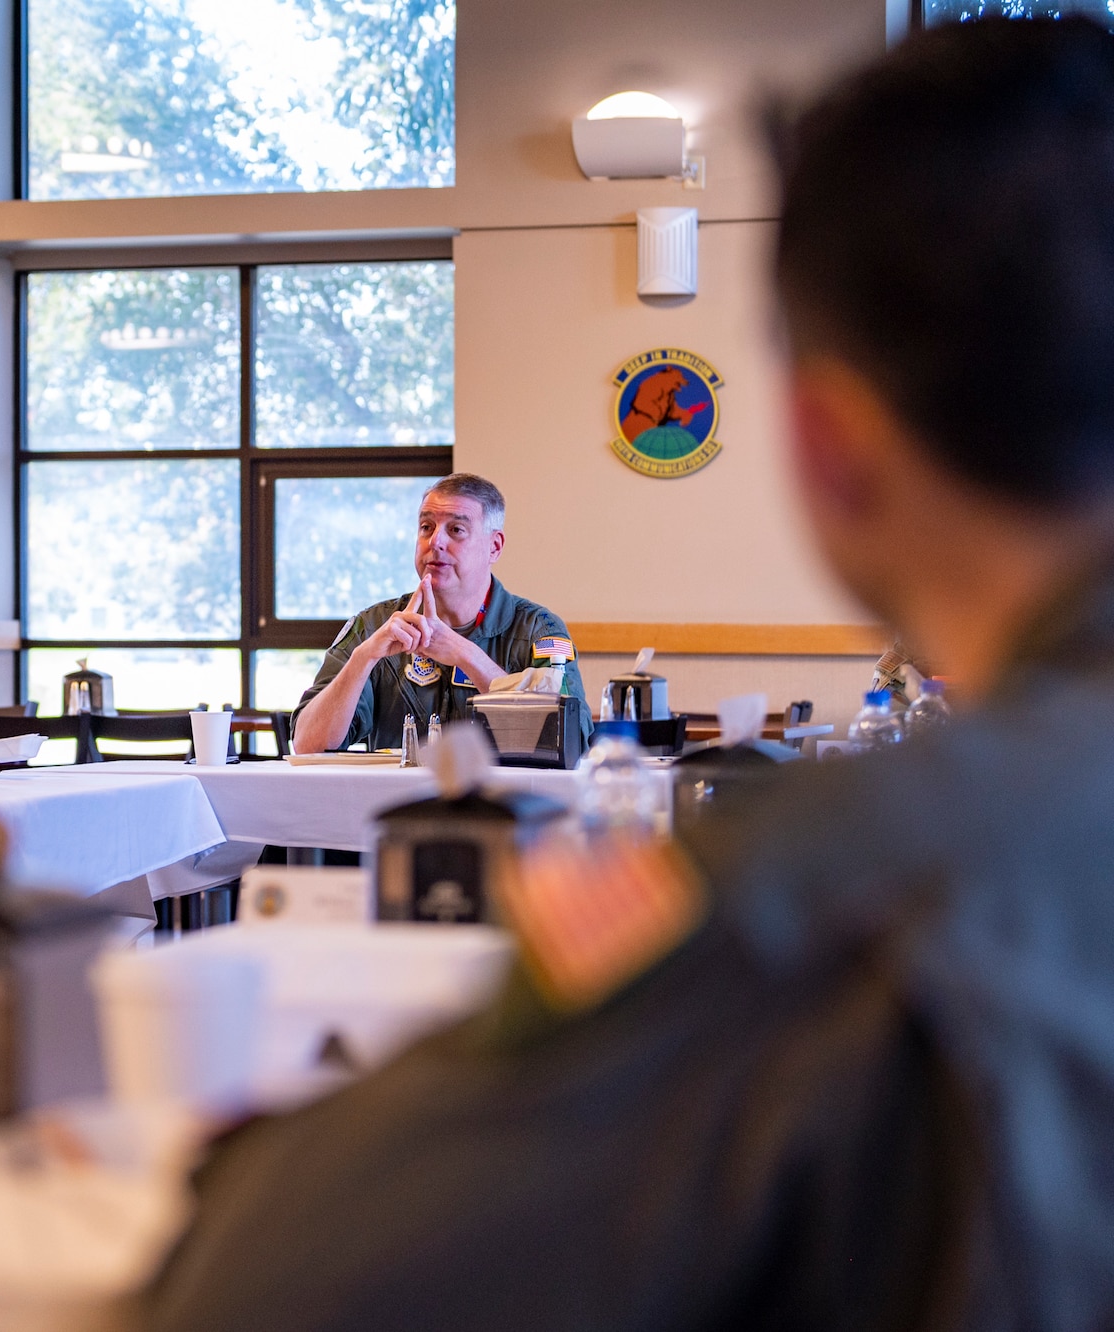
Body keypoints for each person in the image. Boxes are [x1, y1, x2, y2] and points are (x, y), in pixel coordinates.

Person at [148, 18, 1114, 1328]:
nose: (435, 549)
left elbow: (276, 1278)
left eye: (455, 529)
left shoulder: (823, 887)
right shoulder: (378, 621)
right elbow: (306, 749)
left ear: (826, 443)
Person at [292, 473, 588, 755]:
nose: (436, 542)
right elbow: (307, 745)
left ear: (494, 547)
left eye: (456, 530)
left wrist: (466, 655)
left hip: (500, 805)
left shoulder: (539, 630)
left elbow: (572, 739)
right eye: (426, 528)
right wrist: (364, 658)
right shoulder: (372, 626)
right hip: (398, 803)